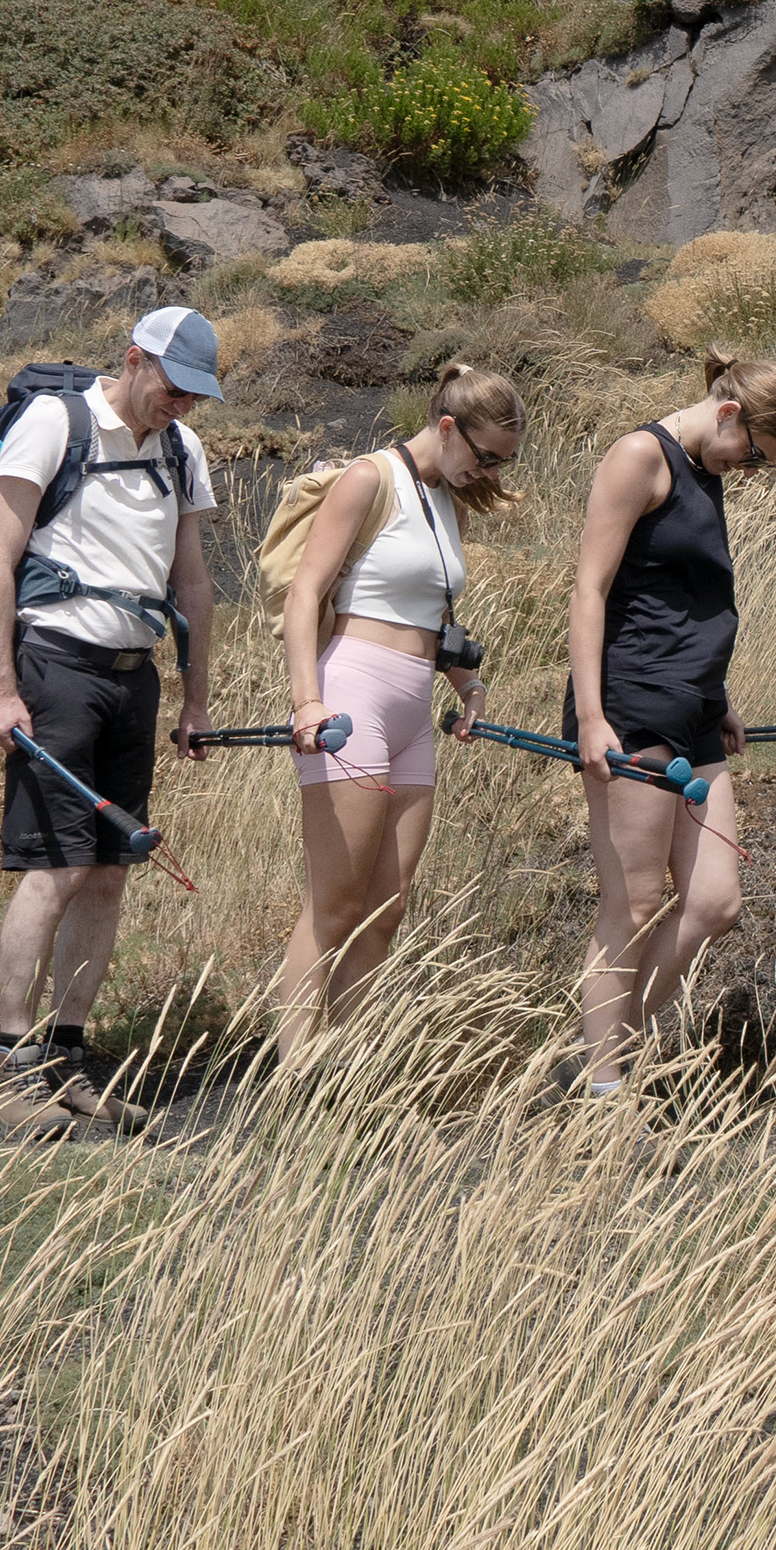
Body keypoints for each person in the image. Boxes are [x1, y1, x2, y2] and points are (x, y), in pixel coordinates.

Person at [0, 306, 223, 1130]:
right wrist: (2, 690)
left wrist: (195, 697)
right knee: (54, 867)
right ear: (134, 358)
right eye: (173, 387)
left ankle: (67, 1061)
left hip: (133, 678)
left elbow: (192, 585)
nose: (180, 405)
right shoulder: (56, 422)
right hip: (56, 669)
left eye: (194, 395)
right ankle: (8, 1071)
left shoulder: (184, 452)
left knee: (110, 873)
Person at [566, 350, 776, 1094]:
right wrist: (590, 717)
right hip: (634, 701)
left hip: (697, 703)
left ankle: (603, 1050)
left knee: (714, 901)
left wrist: (721, 691)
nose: (749, 471)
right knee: (634, 902)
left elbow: (688, 598)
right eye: (756, 458)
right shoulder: (642, 455)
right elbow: (590, 588)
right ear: (730, 413)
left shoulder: (704, 471)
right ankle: (605, 1089)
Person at [272, 361, 524, 1065]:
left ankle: (351, 1076)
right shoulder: (369, 478)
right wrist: (306, 700)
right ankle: (295, 1073)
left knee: (385, 908)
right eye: (485, 456)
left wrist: (467, 686)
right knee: (335, 904)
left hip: (415, 702)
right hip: (351, 693)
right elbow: (305, 594)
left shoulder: (443, 495)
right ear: (447, 428)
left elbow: (433, 615)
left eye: (504, 461)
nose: (490, 472)